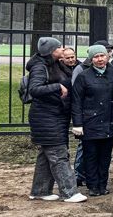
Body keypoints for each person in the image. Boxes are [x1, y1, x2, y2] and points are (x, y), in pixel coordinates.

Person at [26, 37, 86, 203]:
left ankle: (40, 191)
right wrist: (57, 86)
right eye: (59, 47)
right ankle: (70, 192)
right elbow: (34, 89)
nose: (63, 49)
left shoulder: (55, 64)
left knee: (46, 156)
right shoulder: (40, 67)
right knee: (59, 154)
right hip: (45, 117)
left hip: (55, 115)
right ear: (52, 51)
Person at [71, 43, 113, 196]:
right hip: (90, 122)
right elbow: (76, 101)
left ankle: (103, 184)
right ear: (91, 59)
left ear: (107, 56)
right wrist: (77, 123)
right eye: (96, 57)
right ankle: (92, 185)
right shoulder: (84, 76)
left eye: (102, 56)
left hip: (109, 121)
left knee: (105, 156)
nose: (100, 59)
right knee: (90, 156)